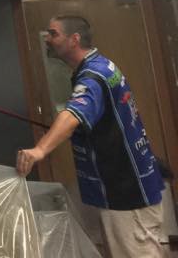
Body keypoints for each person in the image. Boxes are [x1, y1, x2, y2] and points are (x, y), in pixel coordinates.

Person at [16, 14, 165, 257]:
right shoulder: (101, 65)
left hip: (124, 189)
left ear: (74, 39)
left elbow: (73, 113)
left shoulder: (93, 76)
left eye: (54, 34)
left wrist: (40, 149)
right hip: (127, 181)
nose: (48, 39)